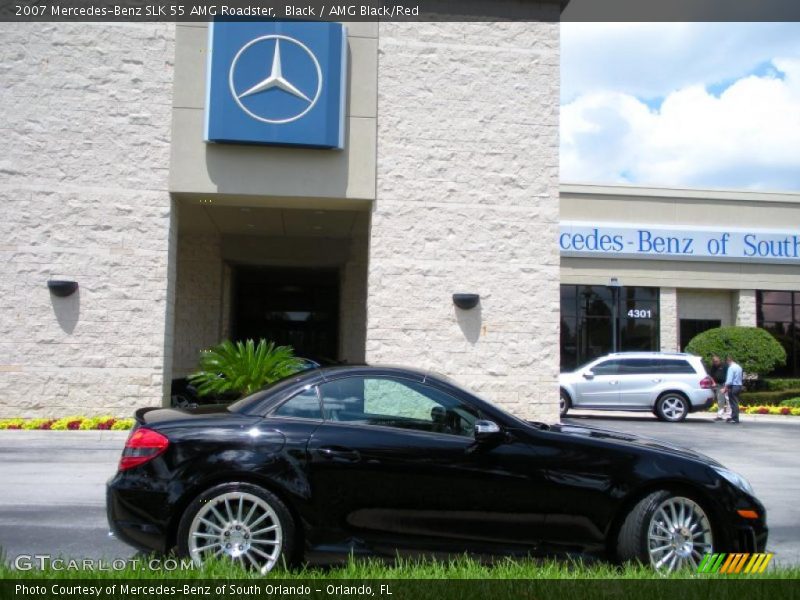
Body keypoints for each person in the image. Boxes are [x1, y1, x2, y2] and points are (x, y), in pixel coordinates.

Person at [722, 355, 743, 424]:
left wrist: (725, 388)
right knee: (735, 402)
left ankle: (735, 418)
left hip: (733, 386)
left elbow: (729, 380)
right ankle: (734, 416)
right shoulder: (739, 367)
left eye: (727, 362)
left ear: (728, 360)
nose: (727, 363)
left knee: (733, 403)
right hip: (739, 386)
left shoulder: (731, 368)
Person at [707, 354, 729, 421]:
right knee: (720, 401)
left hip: (725, 385)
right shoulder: (713, 367)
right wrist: (713, 383)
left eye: (716, 361)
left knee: (728, 400)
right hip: (718, 385)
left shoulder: (725, 366)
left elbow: (729, 375)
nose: (715, 362)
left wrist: (727, 385)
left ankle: (729, 416)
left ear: (719, 360)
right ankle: (720, 415)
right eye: (714, 361)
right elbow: (711, 376)